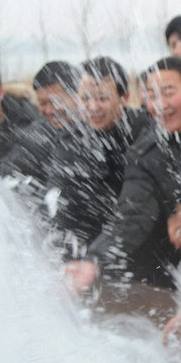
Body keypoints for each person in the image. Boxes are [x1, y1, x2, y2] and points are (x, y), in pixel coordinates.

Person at [66, 56, 181, 289]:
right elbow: (132, 215)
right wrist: (93, 261)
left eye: (168, 93)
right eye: (152, 95)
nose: (159, 104)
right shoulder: (146, 152)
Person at [46, 56, 151, 250]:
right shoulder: (70, 138)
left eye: (102, 98)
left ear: (125, 97)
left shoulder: (146, 129)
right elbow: (58, 187)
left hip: (142, 235)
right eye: (85, 98)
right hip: (93, 239)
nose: (93, 108)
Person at [2, 60, 81, 188]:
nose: (50, 110)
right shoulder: (36, 136)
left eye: (56, 101)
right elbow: (10, 172)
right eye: (43, 103)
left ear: (77, 95)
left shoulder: (100, 129)